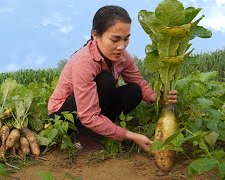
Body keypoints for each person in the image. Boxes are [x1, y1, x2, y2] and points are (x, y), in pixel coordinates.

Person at [48, 5, 177, 152]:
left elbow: (138, 82)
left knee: (135, 90)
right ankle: (80, 135)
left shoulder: (122, 56)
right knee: (105, 80)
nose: (121, 46)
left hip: (90, 108)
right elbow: (88, 115)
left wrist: (157, 97)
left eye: (126, 39)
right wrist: (131, 136)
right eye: (115, 39)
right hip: (63, 116)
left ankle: (95, 131)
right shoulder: (84, 62)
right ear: (95, 35)